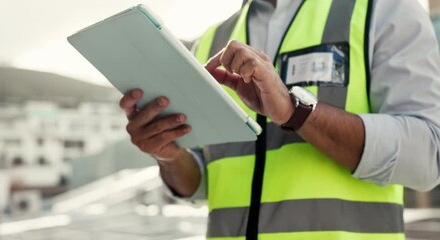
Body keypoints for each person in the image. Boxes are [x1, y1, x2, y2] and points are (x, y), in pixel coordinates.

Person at [120, 0, 440, 239]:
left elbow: (429, 156)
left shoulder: (382, 10)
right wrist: (168, 153)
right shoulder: (211, 41)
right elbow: (203, 183)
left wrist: (294, 111)